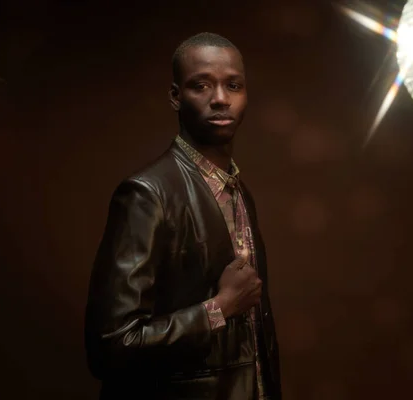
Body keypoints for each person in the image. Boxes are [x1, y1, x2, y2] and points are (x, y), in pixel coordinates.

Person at [84, 32, 281, 400]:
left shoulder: (239, 192)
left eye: (233, 85)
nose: (221, 98)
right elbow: (111, 346)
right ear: (176, 96)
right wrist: (219, 309)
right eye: (201, 85)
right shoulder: (146, 194)